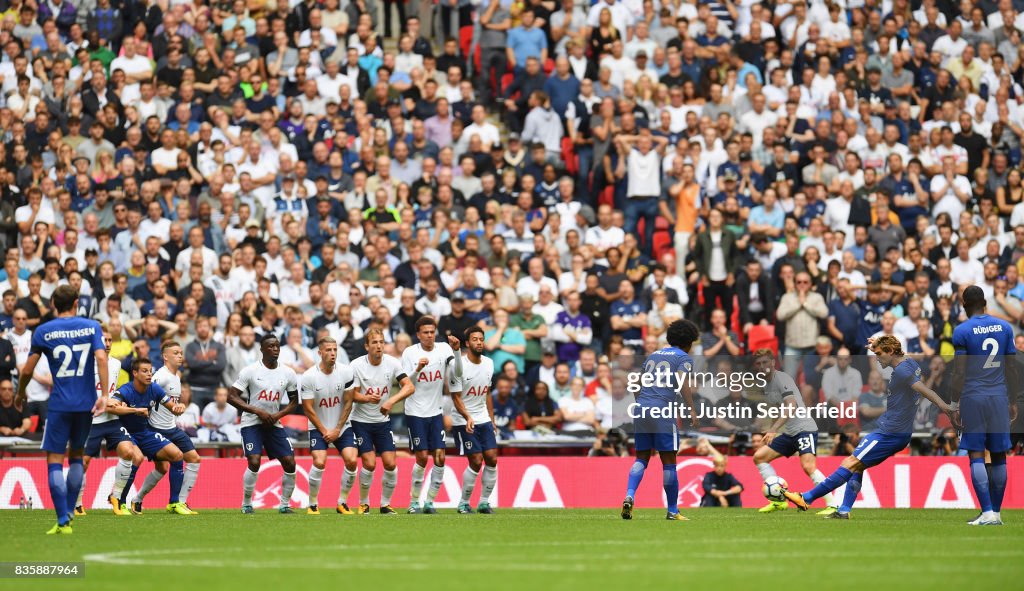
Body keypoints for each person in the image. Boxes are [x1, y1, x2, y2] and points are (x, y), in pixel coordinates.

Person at [786, 335, 954, 518]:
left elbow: (925, 390)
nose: (877, 358)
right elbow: (907, 355)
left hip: (890, 432)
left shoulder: (902, 372)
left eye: (880, 354)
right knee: (857, 466)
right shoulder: (909, 363)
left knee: (849, 463)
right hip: (894, 430)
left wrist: (944, 407)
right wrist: (878, 343)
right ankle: (843, 510)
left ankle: (807, 498)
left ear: (890, 352)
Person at [14, 285, 108, 535]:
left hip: (58, 405)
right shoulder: (92, 327)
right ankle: (69, 511)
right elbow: (101, 358)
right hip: (86, 404)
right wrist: (105, 395)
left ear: (53, 302)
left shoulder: (44, 331)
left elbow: (26, 370)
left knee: (55, 460)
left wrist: (21, 393)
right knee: (76, 456)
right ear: (76, 302)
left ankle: (62, 519)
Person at [950, 285, 1020, 525]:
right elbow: (1011, 367)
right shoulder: (1004, 327)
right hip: (999, 396)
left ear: (965, 305)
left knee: (976, 454)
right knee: (999, 455)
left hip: (974, 396)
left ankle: (988, 511)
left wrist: (953, 402)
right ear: (985, 303)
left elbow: (959, 373)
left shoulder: (962, 331)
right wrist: (1012, 400)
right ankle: (996, 514)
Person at [621, 319, 701, 522]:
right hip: (663, 410)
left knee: (641, 458)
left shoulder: (652, 356)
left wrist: (642, 405)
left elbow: (636, 384)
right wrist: (692, 409)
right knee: (669, 462)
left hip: (641, 409)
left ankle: (629, 495)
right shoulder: (684, 358)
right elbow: (683, 383)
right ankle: (673, 510)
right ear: (689, 342)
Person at [750, 348, 836, 515]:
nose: (762, 366)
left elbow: (791, 405)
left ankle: (833, 504)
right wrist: (770, 428)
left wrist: (774, 429)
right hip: (790, 432)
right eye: (759, 363)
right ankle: (778, 502)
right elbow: (778, 409)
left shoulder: (782, 379)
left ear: (773, 363)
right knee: (760, 457)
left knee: (808, 466)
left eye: (765, 362)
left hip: (805, 429)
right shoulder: (766, 385)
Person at [228, 333, 301, 514]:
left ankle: (284, 504)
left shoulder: (288, 372)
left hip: (273, 423)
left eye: (277, 346)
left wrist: (278, 415)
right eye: (270, 346)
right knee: (254, 460)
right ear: (261, 350)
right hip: (251, 422)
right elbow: (231, 396)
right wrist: (257, 411)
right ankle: (246, 503)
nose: (275, 349)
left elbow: (294, 401)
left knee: (290, 462)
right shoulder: (250, 371)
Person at [107, 358, 187, 520]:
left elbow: (173, 408)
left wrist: (180, 407)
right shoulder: (126, 390)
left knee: (178, 455)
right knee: (136, 458)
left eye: (150, 371)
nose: (149, 374)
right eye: (144, 371)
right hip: (126, 432)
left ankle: (174, 503)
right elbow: (111, 407)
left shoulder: (155, 389)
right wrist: (135, 410)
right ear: (134, 373)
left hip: (144, 432)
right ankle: (120, 501)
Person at [349, 328, 415, 514]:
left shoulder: (393, 363)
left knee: (390, 464)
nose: (379, 346)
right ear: (366, 346)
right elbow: (350, 395)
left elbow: (409, 387)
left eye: (381, 342)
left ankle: (385, 504)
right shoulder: (356, 365)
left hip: (382, 421)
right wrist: (367, 398)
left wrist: (391, 401)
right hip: (360, 421)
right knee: (369, 463)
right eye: (375, 342)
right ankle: (364, 503)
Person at [131, 341, 201, 515]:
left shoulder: (176, 377)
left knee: (194, 458)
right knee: (164, 467)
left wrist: (178, 408)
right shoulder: (160, 376)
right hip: (156, 429)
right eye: (176, 353)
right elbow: (146, 389)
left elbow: (170, 405)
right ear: (165, 356)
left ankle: (179, 502)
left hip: (172, 428)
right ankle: (137, 499)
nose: (180, 356)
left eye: (181, 353)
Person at [401, 316, 462, 514]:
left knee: (440, 457)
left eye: (432, 332)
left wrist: (457, 351)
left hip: (436, 411)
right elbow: (404, 383)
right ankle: (413, 502)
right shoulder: (410, 353)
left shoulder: (444, 349)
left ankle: (429, 502)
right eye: (425, 333)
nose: (429, 336)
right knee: (421, 457)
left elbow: (458, 373)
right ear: (418, 335)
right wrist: (417, 369)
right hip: (415, 412)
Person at [77, 328, 139, 516]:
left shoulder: (116, 364)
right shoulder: (85, 364)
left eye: (111, 340)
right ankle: (77, 503)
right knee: (84, 462)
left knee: (129, 452)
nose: (108, 344)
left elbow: (114, 391)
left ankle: (117, 498)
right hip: (90, 421)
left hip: (111, 419)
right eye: (104, 340)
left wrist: (117, 401)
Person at [300, 337, 357, 515]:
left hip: (342, 426)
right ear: (320, 353)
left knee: (352, 461)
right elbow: (308, 409)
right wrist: (325, 431)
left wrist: (338, 429)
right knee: (319, 461)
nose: (332, 353)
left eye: (334, 350)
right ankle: (312, 504)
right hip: (319, 427)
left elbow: (349, 402)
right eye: (328, 350)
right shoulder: (309, 376)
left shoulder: (346, 372)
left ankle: (342, 502)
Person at [450, 326, 498, 514]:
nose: (479, 342)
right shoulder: (458, 366)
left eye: (481, 339)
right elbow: (456, 397)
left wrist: (492, 419)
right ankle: (463, 503)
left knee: (492, 459)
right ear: (467, 343)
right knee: (476, 461)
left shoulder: (489, 363)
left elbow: (487, 393)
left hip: (483, 418)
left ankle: (484, 502)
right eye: (475, 339)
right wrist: (467, 416)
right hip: (463, 420)